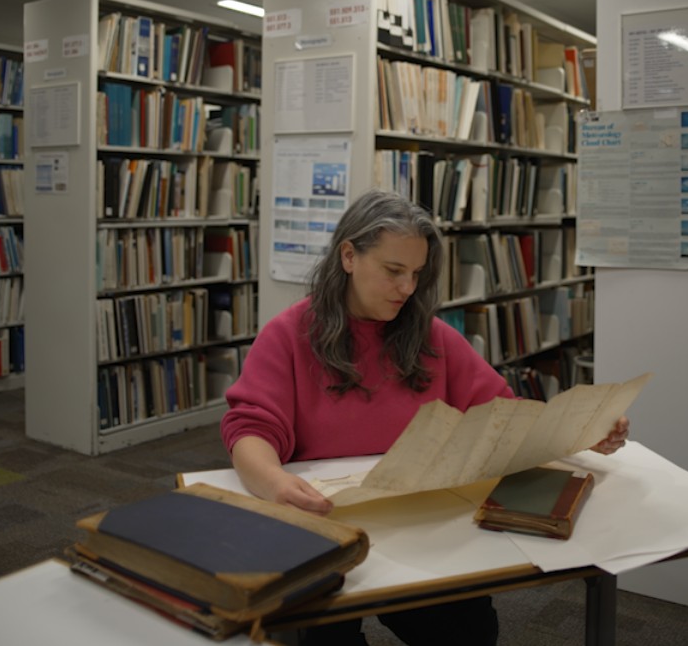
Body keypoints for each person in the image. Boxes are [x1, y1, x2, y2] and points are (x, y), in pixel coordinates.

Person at [221, 189, 629, 646]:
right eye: (393, 271)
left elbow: (504, 416)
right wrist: (274, 482)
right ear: (349, 256)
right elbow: (251, 429)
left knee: (469, 633)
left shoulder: (432, 336)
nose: (408, 289)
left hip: (423, 527)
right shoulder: (288, 335)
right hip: (326, 528)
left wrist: (583, 433)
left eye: (416, 274)